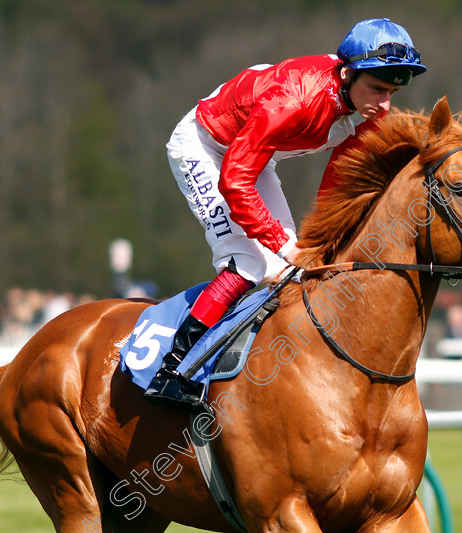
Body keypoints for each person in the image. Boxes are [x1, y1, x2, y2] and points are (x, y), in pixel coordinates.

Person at [144, 18, 427, 407]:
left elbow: (336, 185)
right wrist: (280, 242)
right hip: (205, 147)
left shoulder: (365, 112)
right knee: (248, 263)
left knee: (291, 270)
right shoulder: (293, 99)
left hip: (255, 157)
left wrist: (323, 244)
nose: (384, 105)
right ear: (347, 74)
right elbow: (234, 180)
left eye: (392, 92)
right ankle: (172, 369)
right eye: (377, 89)